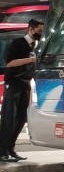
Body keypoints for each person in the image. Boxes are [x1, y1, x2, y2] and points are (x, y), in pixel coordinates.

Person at [0, 18, 44, 162]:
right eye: (38, 31)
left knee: (21, 118)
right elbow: (10, 63)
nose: (40, 34)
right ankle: (2, 151)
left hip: (26, 83)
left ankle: (10, 148)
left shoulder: (37, 46)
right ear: (30, 29)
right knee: (9, 118)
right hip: (13, 83)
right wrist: (31, 60)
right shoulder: (18, 43)